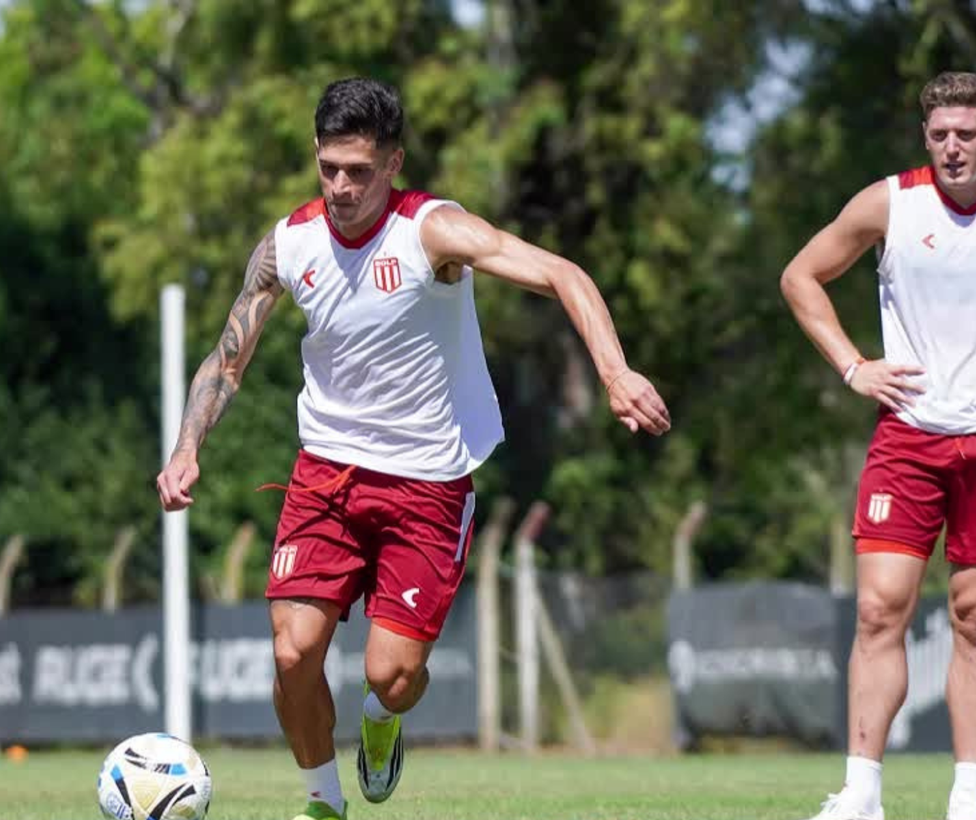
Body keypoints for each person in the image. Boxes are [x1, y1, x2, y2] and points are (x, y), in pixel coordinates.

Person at [155, 77, 670, 820]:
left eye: (358, 171)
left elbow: (564, 274)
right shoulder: (287, 244)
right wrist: (185, 447)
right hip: (325, 472)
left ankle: (382, 722)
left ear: (393, 163)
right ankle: (322, 804)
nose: (339, 187)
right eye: (328, 167)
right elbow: (226, 359)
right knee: (293, 652)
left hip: (426, 483)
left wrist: (615, 371)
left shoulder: (434, 231)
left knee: (390, 676)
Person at [780, 71, 976, 820]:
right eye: (939, 134)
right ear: (926, 137)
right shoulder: (890, 203)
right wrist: (853, 365)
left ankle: (967, 801)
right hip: (907, 439)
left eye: (964, 133)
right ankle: (861, 793)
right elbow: (801, 277)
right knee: (881, 611)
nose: (952, 147)